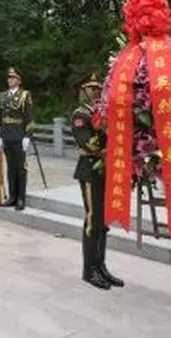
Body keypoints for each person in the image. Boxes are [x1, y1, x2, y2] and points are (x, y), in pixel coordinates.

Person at [72, 72, 122, 290]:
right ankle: (88, 269)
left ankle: (100, 266)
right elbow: (89, 145)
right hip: (89, 170)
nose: (95, 91)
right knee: (93, 219)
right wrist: (105, 130)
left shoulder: (103, 113)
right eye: (90, 88)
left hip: (105, 170)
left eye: (97, 87)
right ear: (83, 91)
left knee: (104, 221)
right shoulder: (80, 115)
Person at [0, 67, 33, 211]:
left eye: (12, 78)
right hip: (6, 135)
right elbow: (0, 118)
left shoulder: (25, 95)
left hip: (19, 135)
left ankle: (20, 198)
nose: (10, 80)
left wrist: (27, 136)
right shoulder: (3, 96)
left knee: (21, 168)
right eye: (8, 78)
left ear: (18, 80)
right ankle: (12, 197)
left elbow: (29, 117)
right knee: (10, 168)